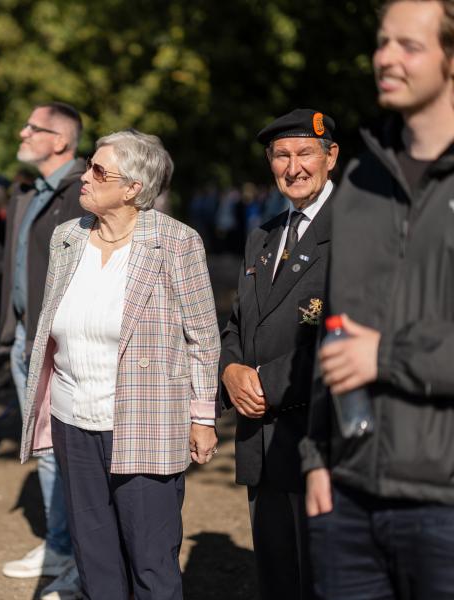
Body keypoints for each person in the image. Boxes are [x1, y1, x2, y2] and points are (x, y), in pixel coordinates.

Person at [21, 130, 221, 600]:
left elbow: (203, 337)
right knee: (95, 557)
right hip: (74, 417)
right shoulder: (67, 238)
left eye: (97, 171)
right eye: (89, 165)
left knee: (151, 560)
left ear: (133, 187)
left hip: (145, 419)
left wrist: (203, 416)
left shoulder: (176, 243)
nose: (84, 178)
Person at [301, 1, 454, 598]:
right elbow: (332, 328)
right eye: (382, 42)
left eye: (409, 46)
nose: (386, 58)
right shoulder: (359, 184)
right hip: (348, 502)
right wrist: (316, 455)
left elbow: (367, 349)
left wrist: (388, 356)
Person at [219, 109, 339, 600]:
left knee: (325, 578)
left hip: (319, 435)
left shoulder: (355, 231)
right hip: (259, 439)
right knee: (277, 576)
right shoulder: (262, 236)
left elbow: (348, 336)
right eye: (281, 155)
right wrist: (228, 371)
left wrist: (265, 380)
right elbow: (238, 325)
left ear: (330, 156)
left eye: (305, 153)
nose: (293, 167)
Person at [0, 102, 86, 599]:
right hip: (25, 338)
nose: (23, 131)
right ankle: (59, 546)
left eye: (35, 127)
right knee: (45, 449)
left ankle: (78, 556)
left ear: (61, 141)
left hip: (56, 344)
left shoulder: (81, 192)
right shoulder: (30, 189)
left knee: (67, 453)